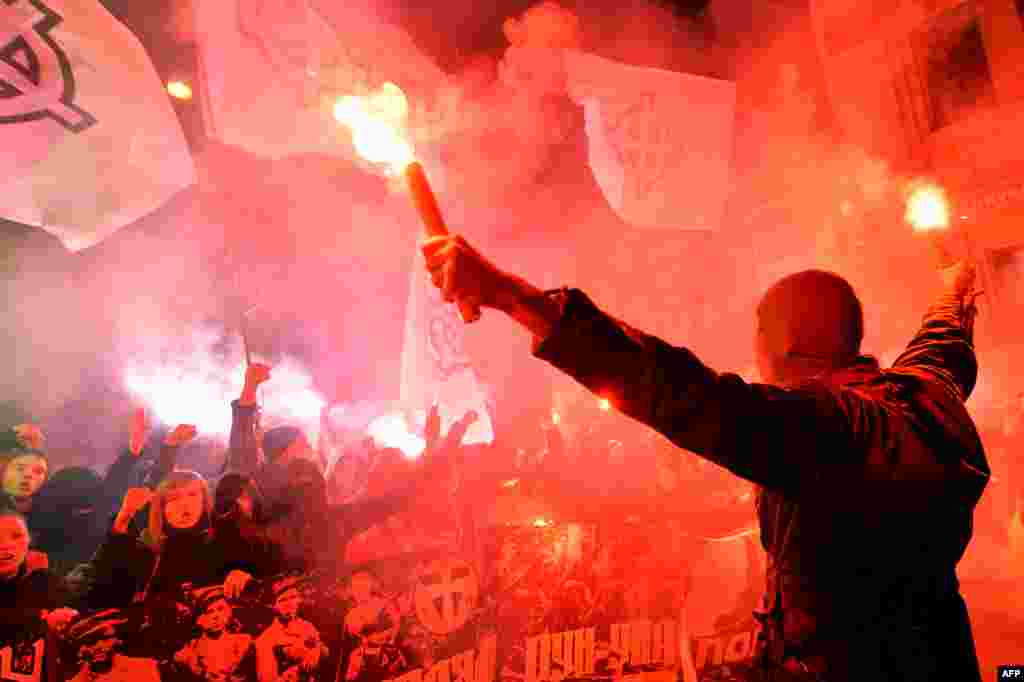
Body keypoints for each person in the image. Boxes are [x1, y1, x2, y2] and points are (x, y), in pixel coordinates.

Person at [421, 234, 988, 681]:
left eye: (759, 330)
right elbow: (944, 337)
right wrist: (955, 285)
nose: (754, 348)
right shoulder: (925, 392)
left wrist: (511, 297)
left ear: (788, 341)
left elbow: (681, 392)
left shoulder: (822, 429)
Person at [0, 508, 77, 681]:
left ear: (28, 541)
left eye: (16, 536)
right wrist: (41, 622)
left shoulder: (43, 581)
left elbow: (77, 607)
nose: (5, 545)